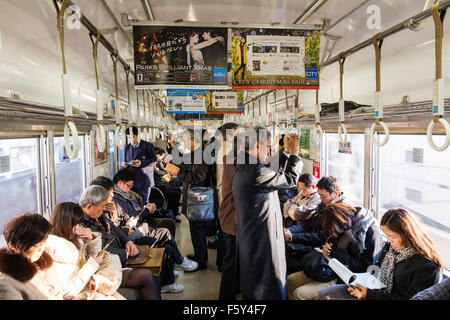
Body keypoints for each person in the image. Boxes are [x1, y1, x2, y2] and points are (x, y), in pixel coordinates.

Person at [231, 127, 303, 300]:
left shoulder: (243, 164)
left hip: (252, 235)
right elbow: (290, 179)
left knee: (255, 283)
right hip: (262, 240)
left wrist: (285, 151)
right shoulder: (255, 172)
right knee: (268, 287)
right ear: (257, 145)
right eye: (268, 146)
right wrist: (294, 153)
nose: (270, 151)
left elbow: (270, 168)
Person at [78, 185, 187, 293]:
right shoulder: (83, 227)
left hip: (124, 245)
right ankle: (178, 263)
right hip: (113, 261)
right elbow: (99, 252)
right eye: (102, 206)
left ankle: (170, 275)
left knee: (166, 247)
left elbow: (115, 229)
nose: (104, 208)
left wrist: (128, 242)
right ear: (89, 206)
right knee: (161, 243)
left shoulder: (98, 215)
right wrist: (126, 253)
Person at [319, 208, 443, 300]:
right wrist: (362, 285)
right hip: (374, 291)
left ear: (407, 234)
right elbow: (377, 270)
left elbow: (408, 298)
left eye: (392, 236)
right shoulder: (393, 249)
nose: (388, 241)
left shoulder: (427, 266)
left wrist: (368, 294)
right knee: (323, 295)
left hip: (377, 295)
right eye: (387, 236)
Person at [287, 203, 384, 300]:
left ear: (342, 223)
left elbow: (365, 269)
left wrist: (335, 253)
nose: (336, 235)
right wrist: (327, 250)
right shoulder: (345, 225)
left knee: (299, 293)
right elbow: (331, 241)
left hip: (349, 278)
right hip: (335, 269)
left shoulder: (371, 234)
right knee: (291, 280)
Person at [44, 202, 126, 300]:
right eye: (77, 224)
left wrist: (92, 240)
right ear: (67, 224)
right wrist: (92, 265)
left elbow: (93, 259)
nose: (80, 228)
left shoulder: (72, 238)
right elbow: (69, 290)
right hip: (81, 292)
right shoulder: (57, 250)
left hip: (91, 282)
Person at [177, 128, 216, 271]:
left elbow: (197, 177)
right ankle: (199, 255)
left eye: (185, 140)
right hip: (194, 199)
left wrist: (178, 173)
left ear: (193, 140)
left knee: (198, 229)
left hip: (199, 198)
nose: (184, 143)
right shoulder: (196, 154)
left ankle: (202, 261)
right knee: (195, 230)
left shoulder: (202, 155)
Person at [0, 213, 52, 300]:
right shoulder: (6, 284)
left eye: (43, 244)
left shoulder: (38, 269)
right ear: (13, 246)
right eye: (36, 245)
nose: (41, 249)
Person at [113, 168, 176, 238]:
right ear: (120, 183)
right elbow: (132, 218)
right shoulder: (117, 199)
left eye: (131, 185)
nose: (130, 188)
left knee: (170, 223)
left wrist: (147, 207)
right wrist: (147, 210)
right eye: (129, 185)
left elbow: (137, 208)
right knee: (168, 228)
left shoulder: (127, 193)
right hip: (136, 228)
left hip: (143, 221)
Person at [217, 133, 242, 300]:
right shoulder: (235, 163)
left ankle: (234, 288)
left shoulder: (229, 159)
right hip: (233, 218)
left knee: (234, 260)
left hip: (229, 216)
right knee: (231, 261)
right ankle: (225, 296)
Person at [122, 126, 157, 204]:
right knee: (133, 204)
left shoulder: (147, 145)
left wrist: (142, 163)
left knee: (143, 203)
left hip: (144, 180)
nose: (131, 140)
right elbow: (126, 161)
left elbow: (154, 160)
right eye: (128, 137)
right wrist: (125, 165)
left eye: (133, 137)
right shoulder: (127, 148)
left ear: (137, 135)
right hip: (131, 182)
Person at [154, 148, 182, 221]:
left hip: (161, 184)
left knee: (177, 190)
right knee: (176, 194)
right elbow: (157, 175)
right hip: (158, 188)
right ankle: (172, 213)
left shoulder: (157, 162)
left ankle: (172, 212)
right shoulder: (154, 164)